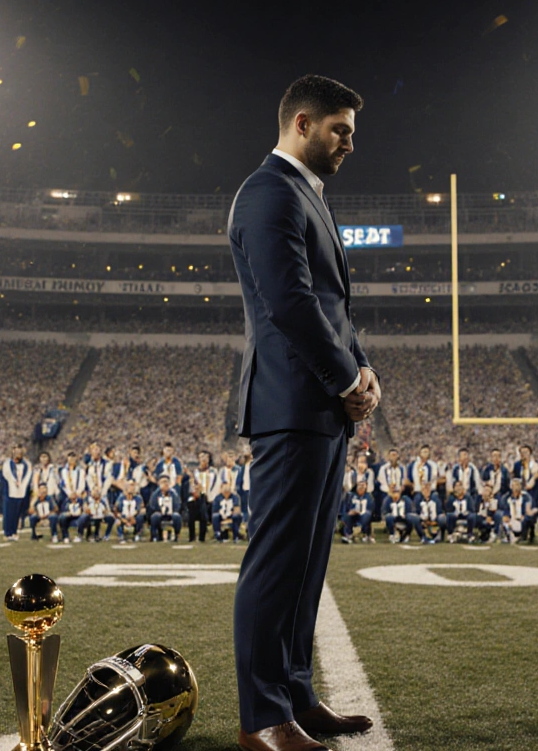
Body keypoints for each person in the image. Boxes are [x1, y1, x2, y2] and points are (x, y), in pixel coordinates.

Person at [228, 74, 377, 749]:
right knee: (278, 561)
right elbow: (289, 303)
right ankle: (262, 718)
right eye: (341, 129)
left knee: (307, 563)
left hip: (321, 404)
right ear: (304, 123)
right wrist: (346, 376)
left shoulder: (304, 195)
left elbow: (331, 306)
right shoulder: (268, 191)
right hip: (292, 401)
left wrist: (364, 371)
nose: (350, 142)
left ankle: (294, 696)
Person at [0, 445, 32, 541]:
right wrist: (15, 481)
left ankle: (14, 532)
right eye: (16, 452)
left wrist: (22, 484)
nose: (18, 454)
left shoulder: (27, 464)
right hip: (11, 490)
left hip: (21, 491)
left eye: (20, 452)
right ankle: (7, 532)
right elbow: (7, 474)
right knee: (8, 512)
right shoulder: (8, 463)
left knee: (17, 513)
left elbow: (28, 476)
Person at [501, 479, 536, 544]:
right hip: (512, 519)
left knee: (528, 518)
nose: (516, 488)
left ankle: (524, 536)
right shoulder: (507, 497)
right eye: (514, 485)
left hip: (522, 519)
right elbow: (505, 509)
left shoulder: (526, 497)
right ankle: (508, 536)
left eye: (517, 485)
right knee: (502, 518)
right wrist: (506, 516)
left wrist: (525, 514)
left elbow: (530, 508)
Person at [149, 474, 183, 542]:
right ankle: (154, 536)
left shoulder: (173, 493)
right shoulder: (156, 494)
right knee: (155, 516)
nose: (165, 484)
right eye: (163, 482)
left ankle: (177, 535)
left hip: (171, 513)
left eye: (167, 482)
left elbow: (177, 505)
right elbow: (152, 505)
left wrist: (173, 511)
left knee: (176, 516)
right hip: (160, 513)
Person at [340, 480, 375, 544]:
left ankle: (363, 533)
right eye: (359, 485)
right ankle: (348, 534)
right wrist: (350, 512)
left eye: (363, 485)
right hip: (353, 515)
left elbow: (371, 509)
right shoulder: (350, 495)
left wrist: (361, 512)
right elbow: (346, 507)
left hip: (364, 515)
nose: (361, 487)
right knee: (347, 515)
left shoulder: (369, 497)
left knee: (367, 514)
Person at [212, 478, 244, 543]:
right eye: (224, 493)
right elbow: (215, 510)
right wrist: (223, 516)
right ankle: (218, 534)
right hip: (221, 515)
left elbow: (237, 509)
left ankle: (236, 536)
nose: (226, 494)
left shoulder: (235, 497)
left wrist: (229, 518)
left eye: (227, 492)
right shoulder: (217, 498)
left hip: (232, 515)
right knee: (215, 516)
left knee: (236, 516)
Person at [376, 446, 405, 516]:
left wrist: (399, 491)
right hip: (387, 492)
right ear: (389, 457)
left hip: (399, 491)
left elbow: (404, 481)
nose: (393, 457)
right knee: (385, 499)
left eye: (395, 455)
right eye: (392, 455)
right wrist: (390, 491)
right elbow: (382, 482)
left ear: (398, 456)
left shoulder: (402, 468)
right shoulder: (383, 468)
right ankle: (384, 515)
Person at [414, 479, 445, 545]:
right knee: (414, 518)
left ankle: (438, 534)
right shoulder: (418, 499)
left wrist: (434, 521)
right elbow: (416, 512)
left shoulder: (435, 498)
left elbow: (440, 511)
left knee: (442, 518)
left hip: (434, 521)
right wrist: (423, 521)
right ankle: (422, 536)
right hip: (423, 521)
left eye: (428, 488)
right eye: (424, 488)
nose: (426, 490)